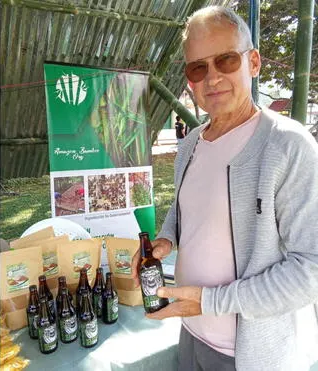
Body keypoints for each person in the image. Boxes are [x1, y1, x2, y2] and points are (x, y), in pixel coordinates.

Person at [131, 6, 318, 371]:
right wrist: (166, 240)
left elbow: (310, 270)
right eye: (198, 68)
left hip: (250, 355)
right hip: (189, 331)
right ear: (189, 80)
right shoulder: (192, 144)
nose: (212, 77)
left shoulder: (289, 147)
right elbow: (187, 210)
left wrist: (211, 302)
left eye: (226, 60)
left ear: (254, 62)